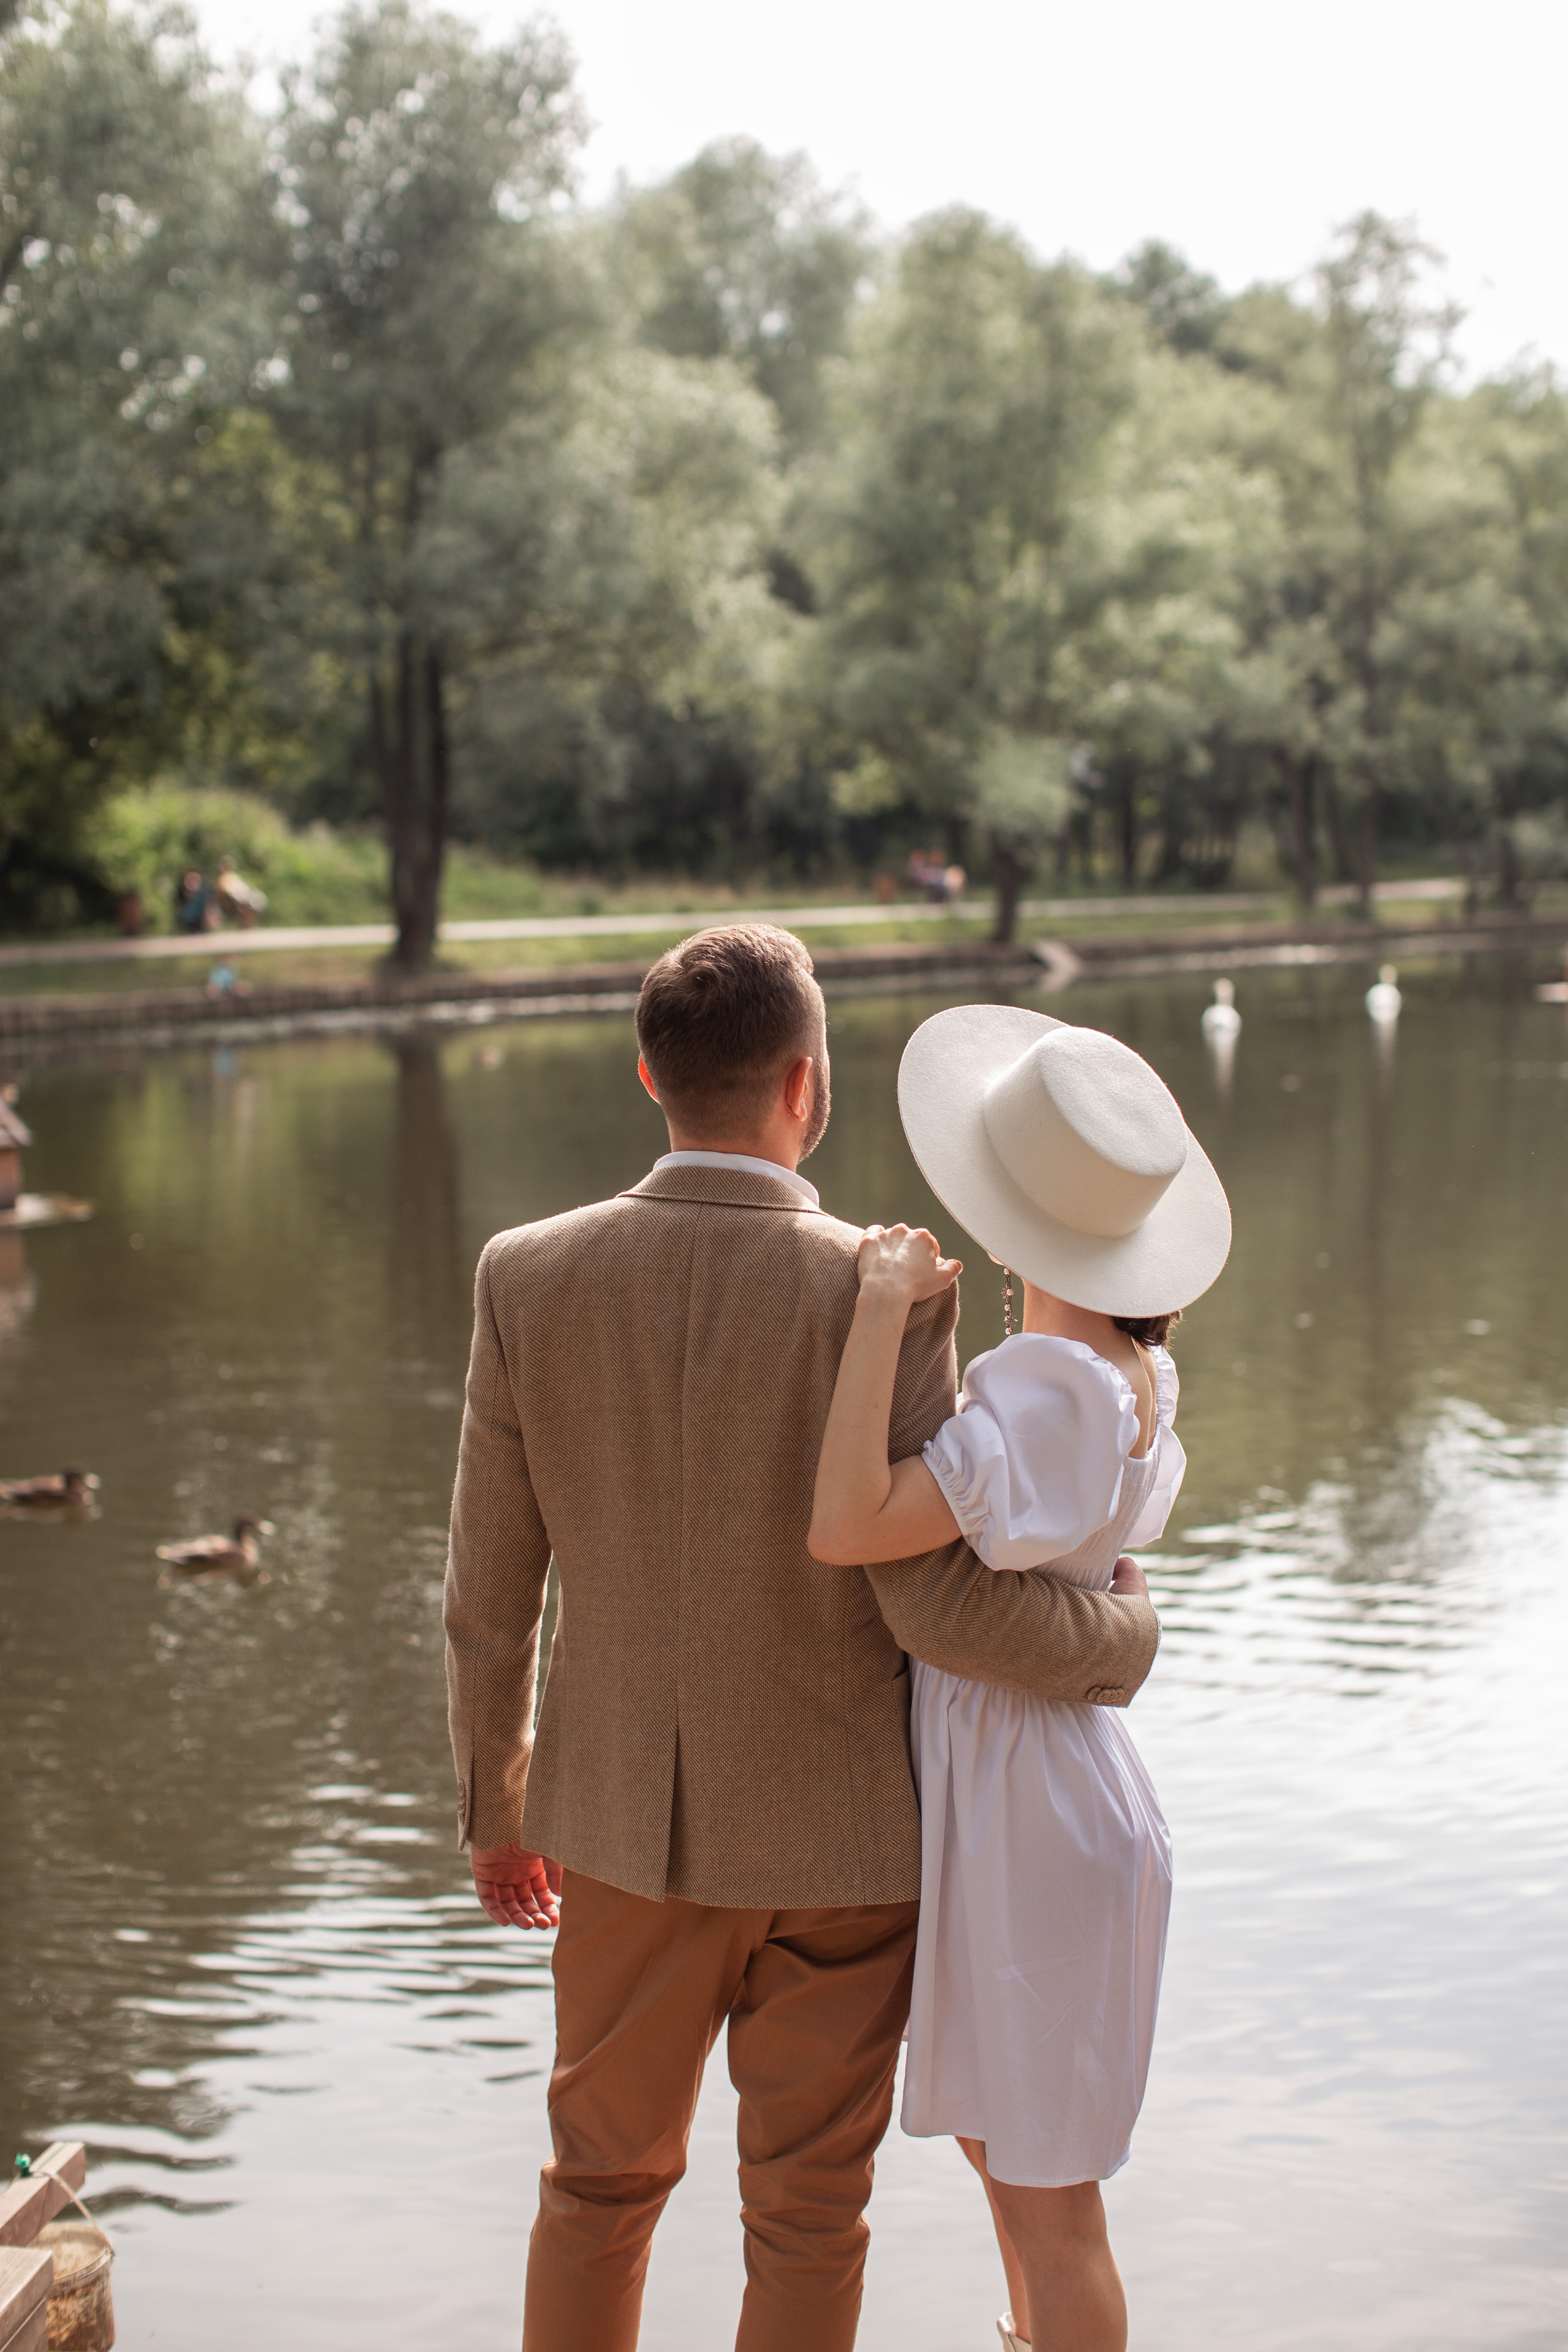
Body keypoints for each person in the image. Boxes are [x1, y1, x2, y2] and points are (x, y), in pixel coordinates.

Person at [442, 926, 1163, 2352]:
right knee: (809, 2214)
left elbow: (487, 1589)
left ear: (650, 1076)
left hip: (618, 1830)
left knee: (596, 2188)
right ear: (808, 1087)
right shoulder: (888, 1288)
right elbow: (931, 1597)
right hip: (845, 1844)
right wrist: (1116, 1644)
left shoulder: (522, 1274)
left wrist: (495, 1804)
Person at [809, 1004, 1232, 2352]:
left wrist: (880, 1316)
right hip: (1045, 1786)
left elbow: (847, 1527)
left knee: (1047, 2199)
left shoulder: (1044, 1384)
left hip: (1035, 1804)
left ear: (1012, 1224)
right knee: (1011, 2157)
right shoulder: (1127, 1373)